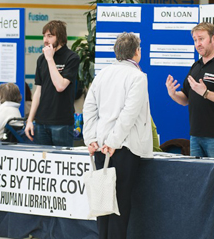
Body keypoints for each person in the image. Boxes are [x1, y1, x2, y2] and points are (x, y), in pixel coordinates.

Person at [83, 32, 153, 239]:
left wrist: (91, 140)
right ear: (137, 52)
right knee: (119, 204)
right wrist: (113, 142)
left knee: (103, 203)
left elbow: (89, 108)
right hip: (123, 147)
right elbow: (128, 115)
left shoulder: (102, 74)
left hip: (101, 146)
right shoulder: (138, 77)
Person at [165, 22, 214, 158]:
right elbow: (185, 99)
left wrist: (206, 93)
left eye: (201, 39)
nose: (198, 44)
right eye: (195, 40)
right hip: (196, 135)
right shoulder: (196, 66)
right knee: (198, 178)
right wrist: (173, 94)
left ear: (213, 38)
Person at [24, 20, 80, 147]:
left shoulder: (71, 57)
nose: (45, 40)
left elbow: (60, 86)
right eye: (44, 36)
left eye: (50, 36)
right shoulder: (41, 59)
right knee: (42, 163)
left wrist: (50, 59)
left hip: (62, 122)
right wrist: (30, 120)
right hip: (41, 122)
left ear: (60, 37)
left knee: (62, 162)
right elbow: (38, 91)